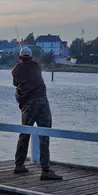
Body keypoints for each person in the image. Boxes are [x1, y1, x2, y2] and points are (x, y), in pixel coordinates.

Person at [12, 47, 63, 180]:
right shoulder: (36, 66)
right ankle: (45, 170)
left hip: (27, 106)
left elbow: (15, 83)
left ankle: (19, 165)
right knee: (44, 135)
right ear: (32, 57)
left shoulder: (16, 70)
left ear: (20, 58)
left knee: (24, 134)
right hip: (42, 104)